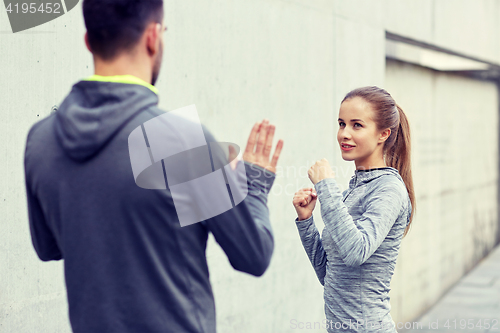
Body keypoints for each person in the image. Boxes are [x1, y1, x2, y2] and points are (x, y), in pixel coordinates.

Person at [24, 1, 283, 332]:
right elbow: (253, 256)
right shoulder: (180, 140)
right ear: (152, 37)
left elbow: (48, 248)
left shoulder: (42, 139)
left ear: (89, 41)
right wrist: (253, 184)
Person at [292, 86, 416, 332]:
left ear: (383, 134)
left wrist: (326, 187)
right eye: (341, 124)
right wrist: (306, 222)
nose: (344, 134)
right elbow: (329, 275)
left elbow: (356, 252)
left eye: (356, 125)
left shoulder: (389, 189)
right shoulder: (350, 192)